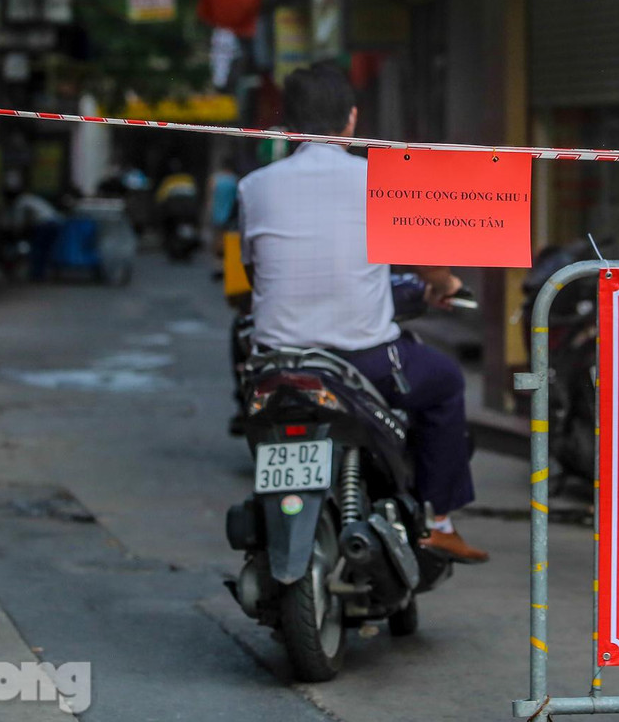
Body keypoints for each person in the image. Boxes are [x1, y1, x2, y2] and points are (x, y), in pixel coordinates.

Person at [237, 65, 488, 563]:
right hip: (365, 362)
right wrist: (446, 285)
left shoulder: (254, 186)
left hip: (276, 364)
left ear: (287, 124)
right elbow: (428, 263)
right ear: (351, 120)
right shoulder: (377, 178)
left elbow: (254, 271)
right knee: (444, 382)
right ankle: (438, 519)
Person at [206, 158, 239, 281]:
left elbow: (210, 198)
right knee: (228, 242)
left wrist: (209, 212)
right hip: (230, 216)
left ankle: (217, 267)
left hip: (217, 214)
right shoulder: (234, 180)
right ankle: (226, 267)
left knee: (217, 241)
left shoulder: (214, 179)